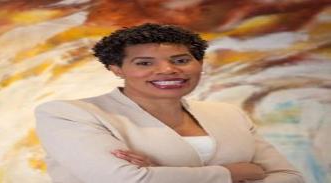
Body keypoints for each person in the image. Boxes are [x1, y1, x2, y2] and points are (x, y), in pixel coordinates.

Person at [35, 23, 305, 183]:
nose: (167, 70)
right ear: (116, 68)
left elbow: (289, 177)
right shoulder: (69, 114)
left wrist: (160, 173)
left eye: (180, 60)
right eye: (144, 63)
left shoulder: (228, 114)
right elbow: (126, 181)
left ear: (198, 63)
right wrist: (235, 173)